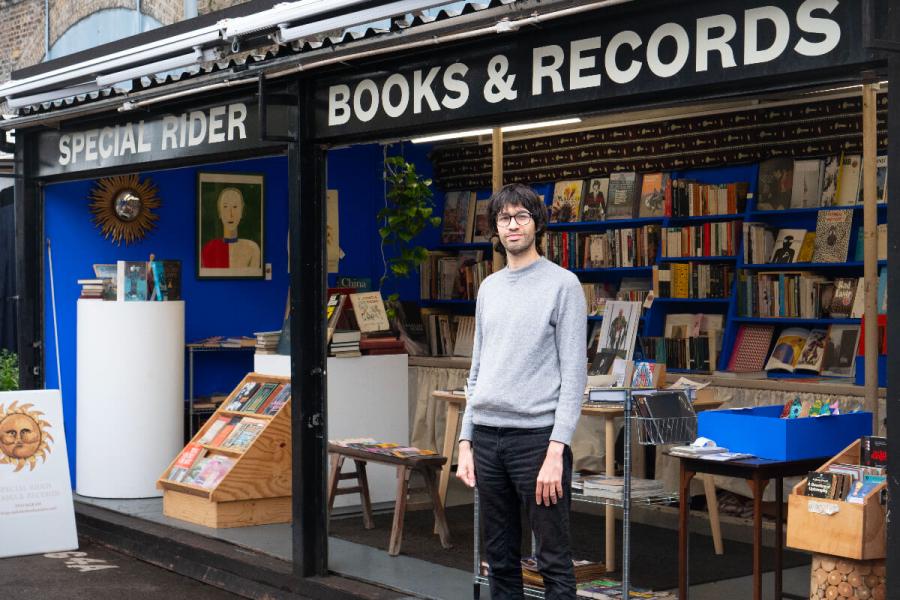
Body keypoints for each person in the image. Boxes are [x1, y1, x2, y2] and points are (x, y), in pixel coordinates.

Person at [456, 183, 587, 599]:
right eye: (504, 218)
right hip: (488, 439)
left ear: (537, 224)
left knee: (552, 559)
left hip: (537, 443)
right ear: (495, 227)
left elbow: (575, 376)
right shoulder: (488, 288)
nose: (512, 225)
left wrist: (556, 450)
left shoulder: (563, 285)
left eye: (521, 217)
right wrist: (465, 440)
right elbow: (477, 370)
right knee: (499, 558)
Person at [201, 187, 261, 270]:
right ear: (219, 212)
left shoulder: (252, 248)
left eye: (235, 207)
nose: (230, 214)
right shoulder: (208, 249)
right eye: (225, 207)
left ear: (241, 212)